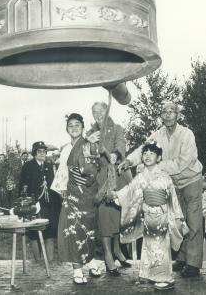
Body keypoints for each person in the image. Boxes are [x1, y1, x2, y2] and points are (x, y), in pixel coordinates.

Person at [119, 101, 203, 277]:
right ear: (161, 116)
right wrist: (129, 160)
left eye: (171, 111)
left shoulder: (187, 134)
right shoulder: (157, 134)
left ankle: (194, 264)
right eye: (164, 112)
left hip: (191, 180)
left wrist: (156, 166)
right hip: (173, 183)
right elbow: (144, 149)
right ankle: (181, 258)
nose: (168, 115)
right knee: (178, 221)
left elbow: (183, 162)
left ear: (177, 115)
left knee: (194, 221)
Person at [112, 140, 186, 291]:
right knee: (148, 245)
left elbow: (172, 198)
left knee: (160, 246)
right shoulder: (140, 176)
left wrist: (176, 216)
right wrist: (116, 195)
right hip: (148, 215)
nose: (147, 156)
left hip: (162, 214)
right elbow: (130, 191)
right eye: (145, 153)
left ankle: (165, 277)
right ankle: (148, 274)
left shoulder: (165, 176)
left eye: (152, 153)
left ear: (159, 158)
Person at [53, 113, 102, 285]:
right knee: (71, 230)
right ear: (67, 129)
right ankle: (77, 268)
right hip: (70, 194)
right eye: (70, 125)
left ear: (83, 127)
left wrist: (90, 147)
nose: (74, 128)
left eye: (77, 125)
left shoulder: (89, 144)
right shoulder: (65, 148)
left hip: (87, 192)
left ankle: (91, 260)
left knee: (87, 229)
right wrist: (63, 190)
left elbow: (95, 167)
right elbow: (62, 172)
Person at [86, 101, 132, 275]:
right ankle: (107, 255)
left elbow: (121, 144)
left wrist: (115, 153)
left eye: (100, 111)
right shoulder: (91, 133)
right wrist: (92, 146)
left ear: (107, 112)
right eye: (94, 112)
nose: (97, 115)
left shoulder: (118, 128)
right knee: (105, 217)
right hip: (101, 179)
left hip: (119, 176)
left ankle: (117, 250)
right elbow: (89, 153)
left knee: (117, 216)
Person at [19, 141, 60, 261]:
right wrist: (25, 204)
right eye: (39, 151)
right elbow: (23, 186)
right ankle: (38, 262)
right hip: (33, 206)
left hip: (48, 206)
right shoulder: (28, 166)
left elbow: (53, 186)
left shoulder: (48, 166)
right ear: (34, 153)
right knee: (34, 235)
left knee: (49, 234)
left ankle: (49, 263)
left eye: (44, 151)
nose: (42, 154)